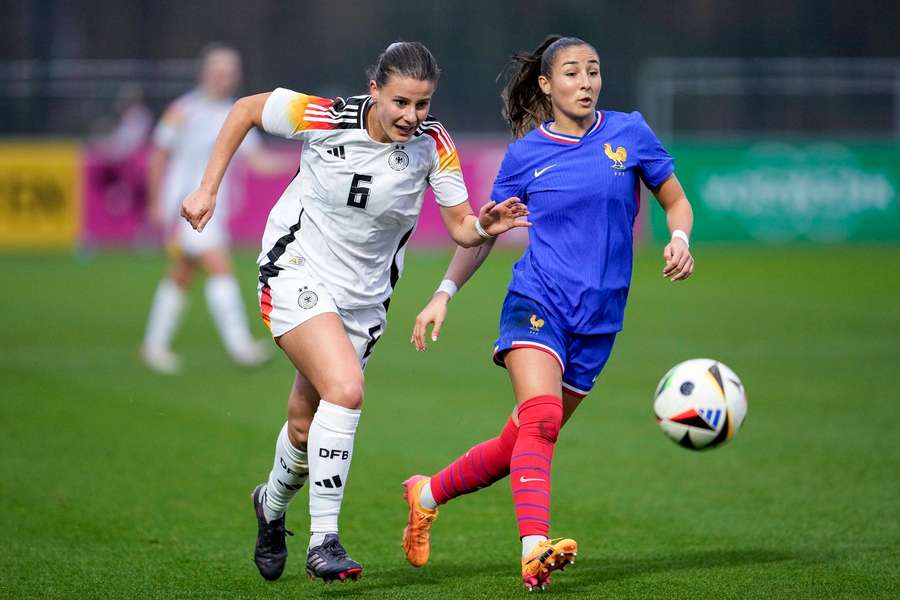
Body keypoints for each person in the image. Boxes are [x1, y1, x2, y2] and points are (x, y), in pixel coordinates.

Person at [179, 41, 530, 583]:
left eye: (422, 104)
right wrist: (207, 189)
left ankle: (270, 507)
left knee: (303, 425)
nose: (412, 117)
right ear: (374, 91)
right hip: (294, 269)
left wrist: (487, 224)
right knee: (345, 390)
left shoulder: (434, 144)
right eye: (401, 103)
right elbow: (245, 109)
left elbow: (461, 227)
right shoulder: (324, 115)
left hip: (363, 303)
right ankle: (324, 541)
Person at [401, 35, 695, 591]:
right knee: (540, 420)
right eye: (572, 74)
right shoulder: (525, 155)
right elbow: (484, 233)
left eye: (594, 71)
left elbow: (675, 199)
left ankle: (425, 493)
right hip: (537, 301)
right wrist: (443, 292)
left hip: (600, 320)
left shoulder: (629, 133)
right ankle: (534, 549)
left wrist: (679, 237)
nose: (586, 83)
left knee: (521, 442)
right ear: (546, 84)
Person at [140, 44, 279, 374]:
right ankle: (240, 346)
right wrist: (157, 202)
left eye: (230, 73)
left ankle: (153, 346)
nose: (224, 79)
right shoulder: (182, 110)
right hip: (187, 207)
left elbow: (257, 161)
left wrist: (302, 161)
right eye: (218, 72)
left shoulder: (237, 112)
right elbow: (159, 154)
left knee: (182, 275)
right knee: (220, 267)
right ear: (204, 73)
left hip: (211, 210)